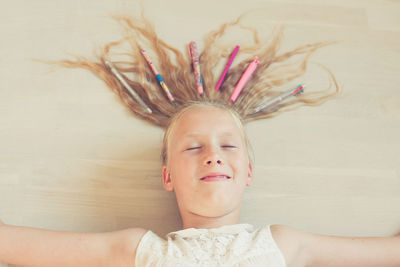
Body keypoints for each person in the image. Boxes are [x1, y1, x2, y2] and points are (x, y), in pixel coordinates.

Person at [1, 11, 399, 267]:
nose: (213, 156)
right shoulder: (140, 251)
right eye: (193, 147)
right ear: (168, 176)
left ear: (249, 173)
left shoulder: (284, 244)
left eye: (228, 146)